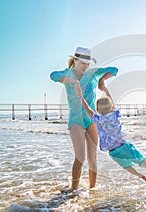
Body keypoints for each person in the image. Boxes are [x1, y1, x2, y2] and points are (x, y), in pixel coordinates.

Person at [50, 47, 118, 189]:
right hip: (76, 121)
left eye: (87, 64)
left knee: (92, 158)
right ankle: (73, 190)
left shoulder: (92, 74)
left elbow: (114, 69)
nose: (85, 67)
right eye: (83, 64)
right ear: (75, 61)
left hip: (91, 120)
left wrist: (102, 80)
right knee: (80, 158)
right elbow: (53, 75)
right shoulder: (67, 74)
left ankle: (92, 190)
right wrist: (73, 82)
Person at [80, 85, 146, 184]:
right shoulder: (114, 115)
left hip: (113, 152)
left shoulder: (98, 119)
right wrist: (106, 90)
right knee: (140, 160)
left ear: (98, 110)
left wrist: (81, 98)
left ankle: (140, 175)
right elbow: (111, 101)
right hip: (124, 146)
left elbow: (88, 110)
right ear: (112, 107)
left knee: (127, 167)